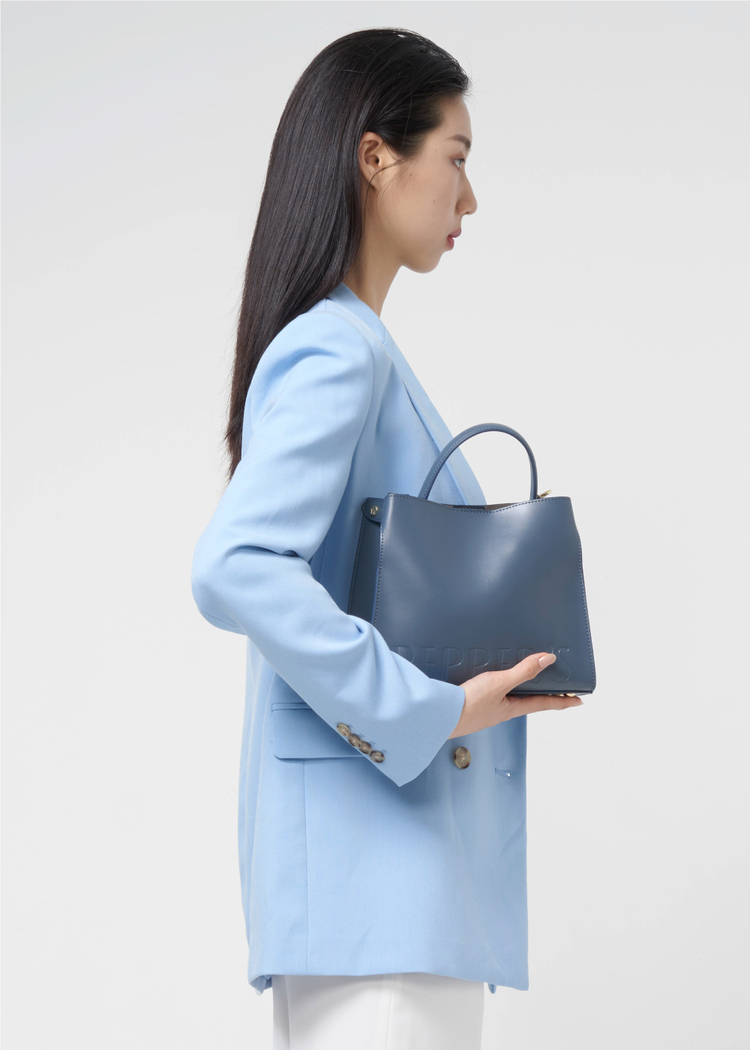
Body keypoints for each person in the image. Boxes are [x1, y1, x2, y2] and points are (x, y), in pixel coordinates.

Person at [190, 26, 583, 1050]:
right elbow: (236, 566)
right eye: (455, 156)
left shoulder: (348, 344)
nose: (469, 198)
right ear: (376, 157)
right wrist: (431, 710)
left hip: (378, 895)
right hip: (381, 897)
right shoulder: (337, 350)